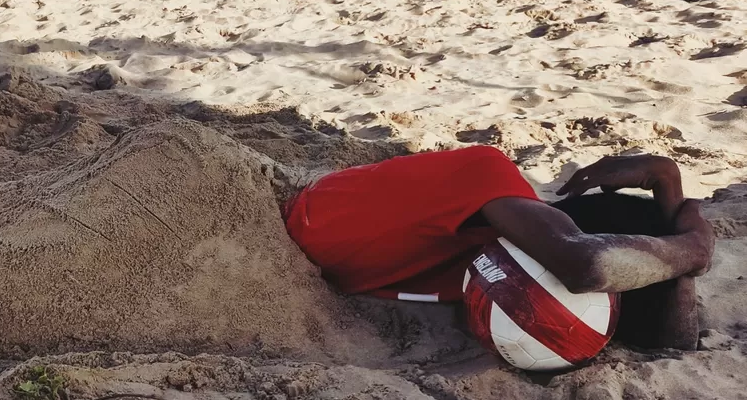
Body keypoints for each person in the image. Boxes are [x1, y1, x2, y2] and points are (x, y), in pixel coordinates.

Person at [277, 146, 714, 350]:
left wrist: (671, 192)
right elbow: (586, 264)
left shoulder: (494, 265)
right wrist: (694, 246)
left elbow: (671, 343)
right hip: (287, 221)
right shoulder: (482, 170)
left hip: (298, 256)